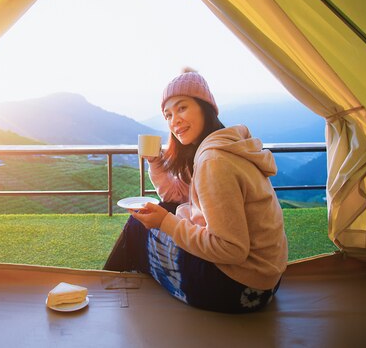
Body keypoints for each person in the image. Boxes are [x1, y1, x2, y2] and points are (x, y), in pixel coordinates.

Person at [104, 68, 288, 313]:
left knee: (138, 227)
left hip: (237, 287)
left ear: (205, 107)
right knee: (163, 210)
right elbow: (175, 197)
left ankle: (104, 288)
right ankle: (130, 273)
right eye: (167, 115)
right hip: (266, 280)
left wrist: (166, 223)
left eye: (182, 108)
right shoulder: (220, 145)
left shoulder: (214, 161)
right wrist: (155, 163)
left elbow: (231, 249)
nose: (174, 121)